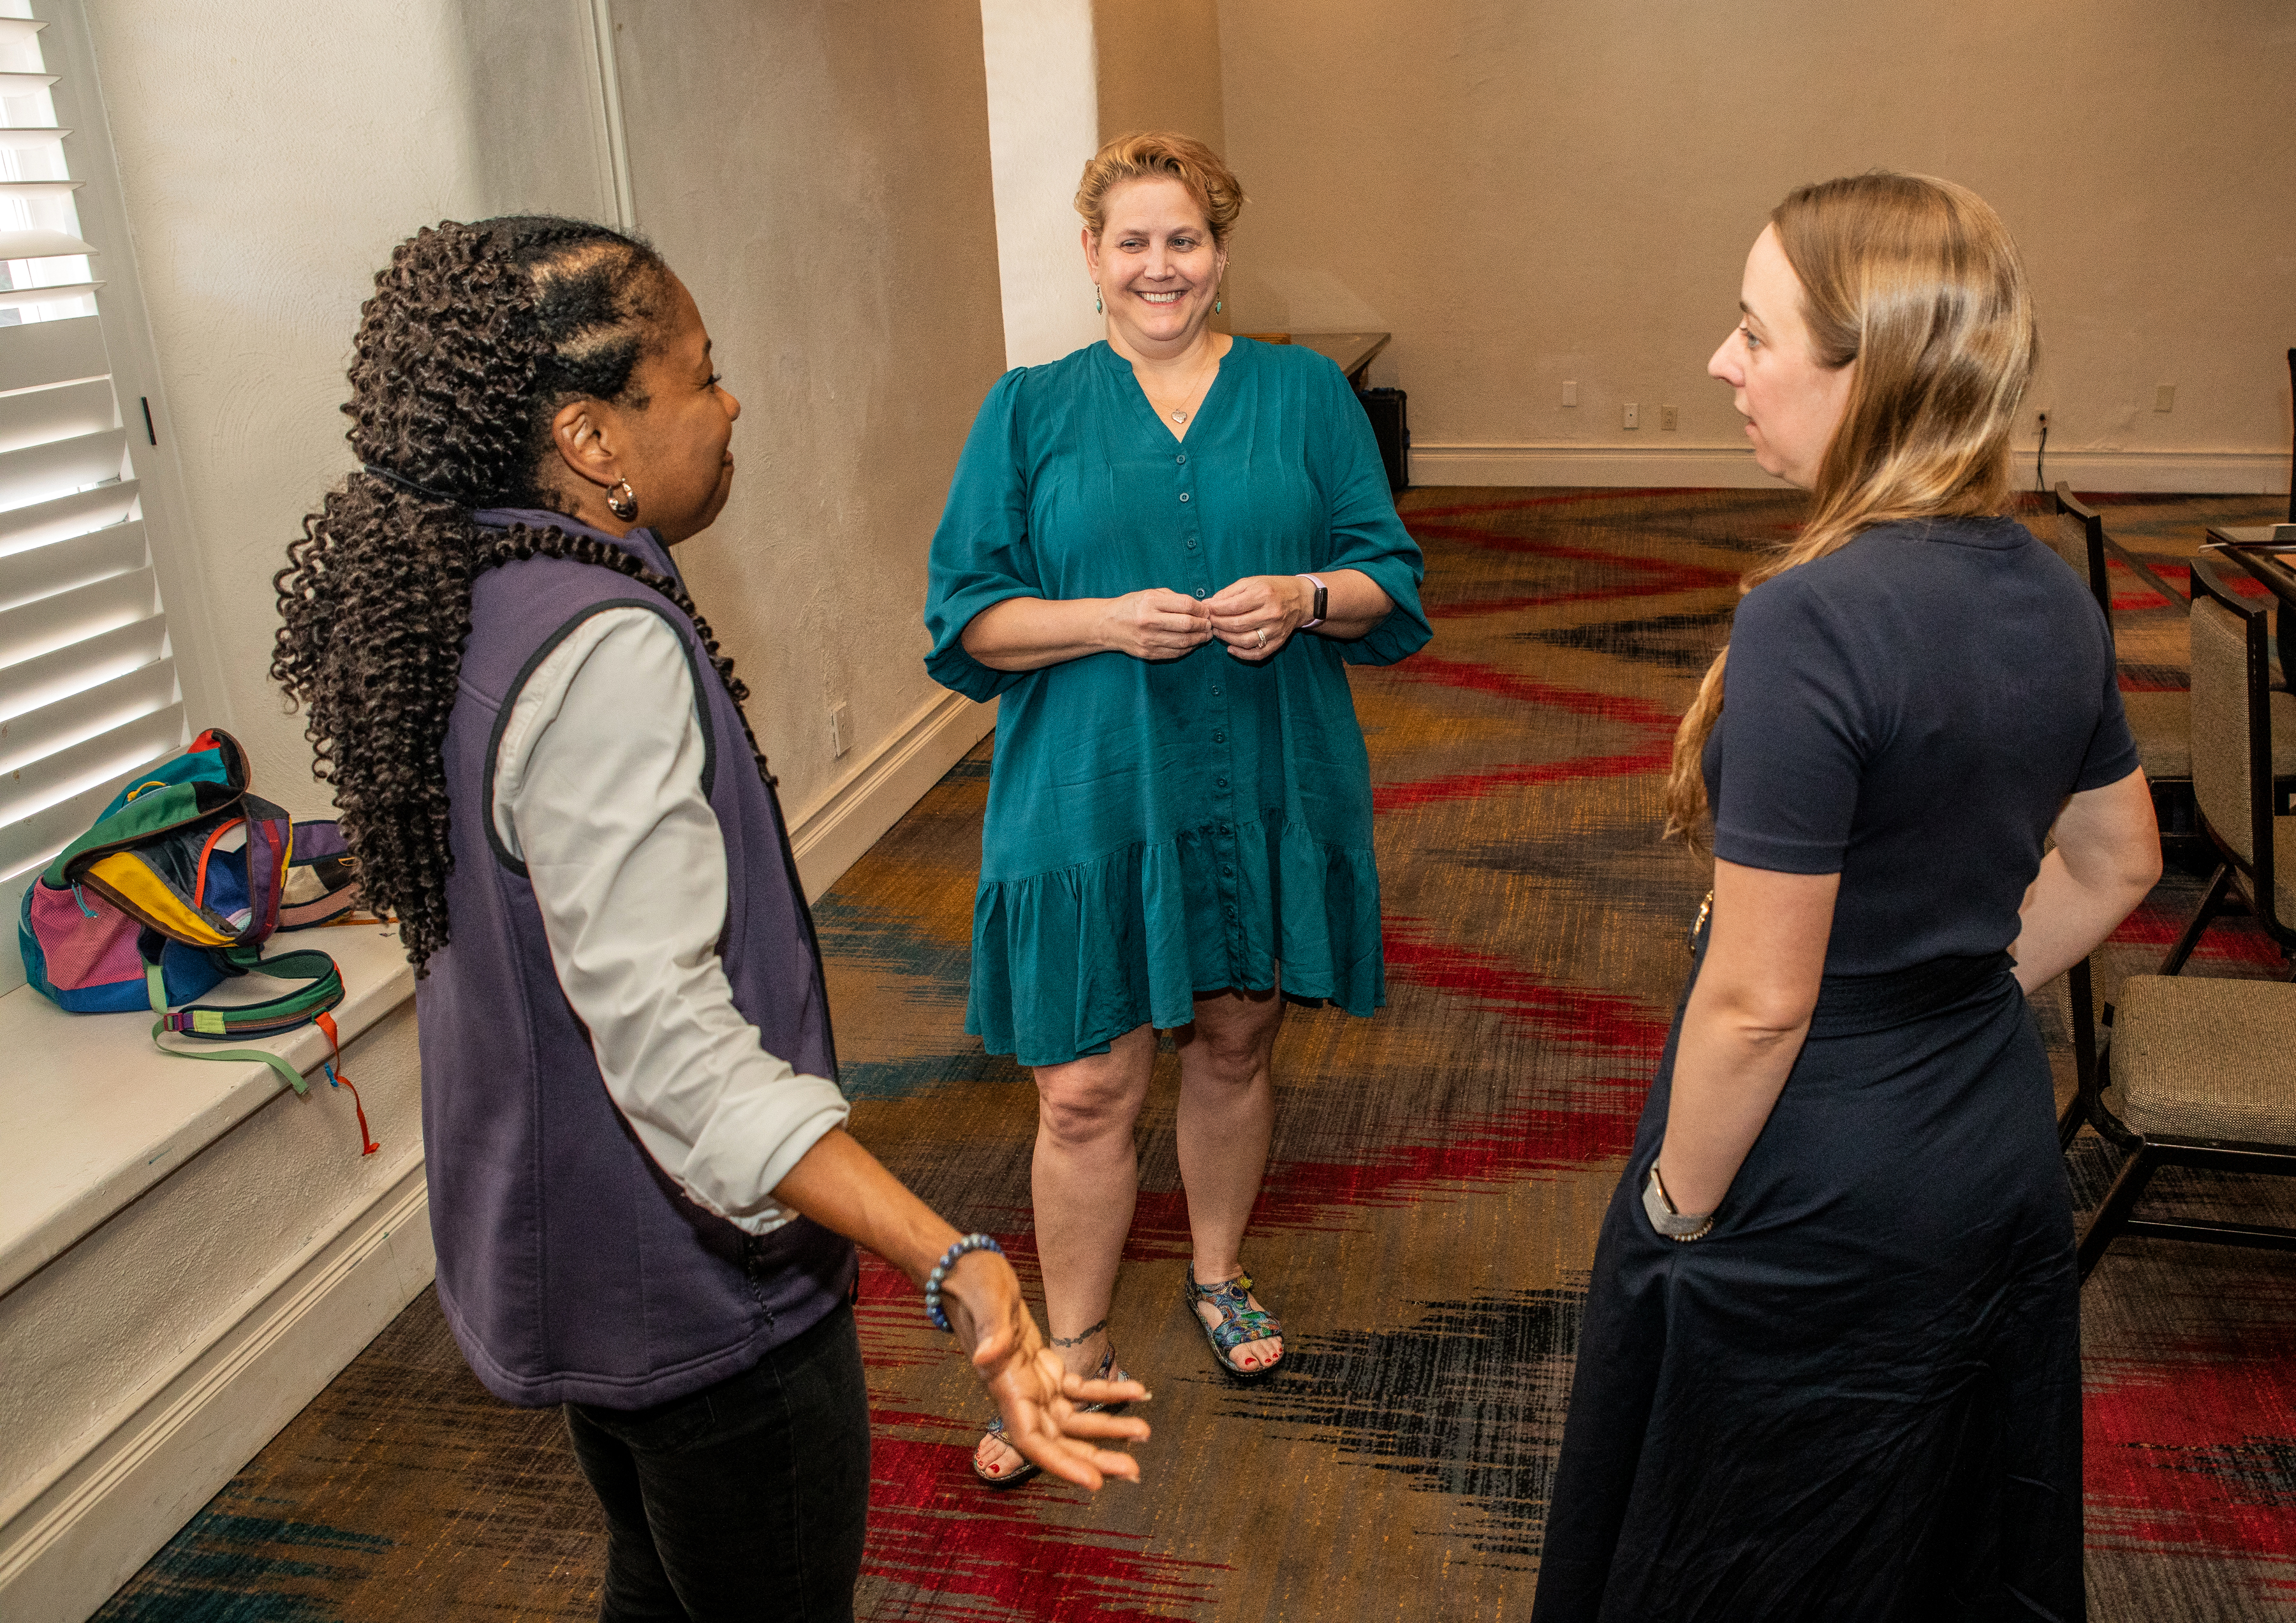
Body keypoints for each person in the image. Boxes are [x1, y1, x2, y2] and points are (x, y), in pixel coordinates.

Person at [272, 216, 1148, 1622]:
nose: (730, 401)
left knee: (658, 1579)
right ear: (592, 437)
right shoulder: (603, 649)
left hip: (562, 1260)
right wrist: (956, 1257)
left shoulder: (464, 596)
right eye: (697, 374)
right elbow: (676, 1054)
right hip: (696, 1299)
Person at [1529, 173, 2161, 1622]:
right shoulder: (2050, 582)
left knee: (1756, 1543)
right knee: (1939, 1533)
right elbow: (2120, 861)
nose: (1721, 364)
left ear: (1863, 375)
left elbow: (1759, 1005)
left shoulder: (1811, 617)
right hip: (1987, 1139)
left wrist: (1675, 1210)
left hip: (1813, 1164)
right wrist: (1946, 990)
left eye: (1756, 335)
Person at [923, 133, 1431, 1483]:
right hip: (1090, 791)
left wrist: (1306, 597)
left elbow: (1390, 576)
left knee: (1237, 1033)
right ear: (1091, 254)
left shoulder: (1307, 395)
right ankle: (1072, 1349)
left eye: (1187, 239)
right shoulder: (1027, 411)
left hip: (1263, 768)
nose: (1162, 266)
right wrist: (1099, 621)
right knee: (1085, 1086)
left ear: (1220, 251)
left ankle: (1216, 1271)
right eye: (1133, 241)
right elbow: (966, 619)